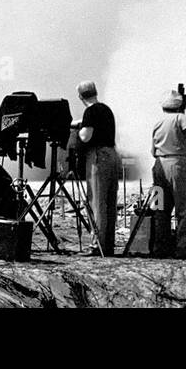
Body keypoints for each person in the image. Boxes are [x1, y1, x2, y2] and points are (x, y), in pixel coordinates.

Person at [151, 90, 186, 258]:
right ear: (180, 105)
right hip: (177, 165)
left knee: (160, 208)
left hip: (158, 166)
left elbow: (152, 150)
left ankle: (160, 247)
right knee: (185, 208)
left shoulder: (158, 122)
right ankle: (182, 249)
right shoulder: (180, 118)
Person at [75, 80, 120, 256]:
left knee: (97, 201)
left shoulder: (90, 111)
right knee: (109, 201)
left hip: (98, 156)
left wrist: (78, 132)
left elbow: (86, 136)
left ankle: (97, 245)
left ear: (80, 96)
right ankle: (107, 244)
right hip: (112, 154)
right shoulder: (106, 109)